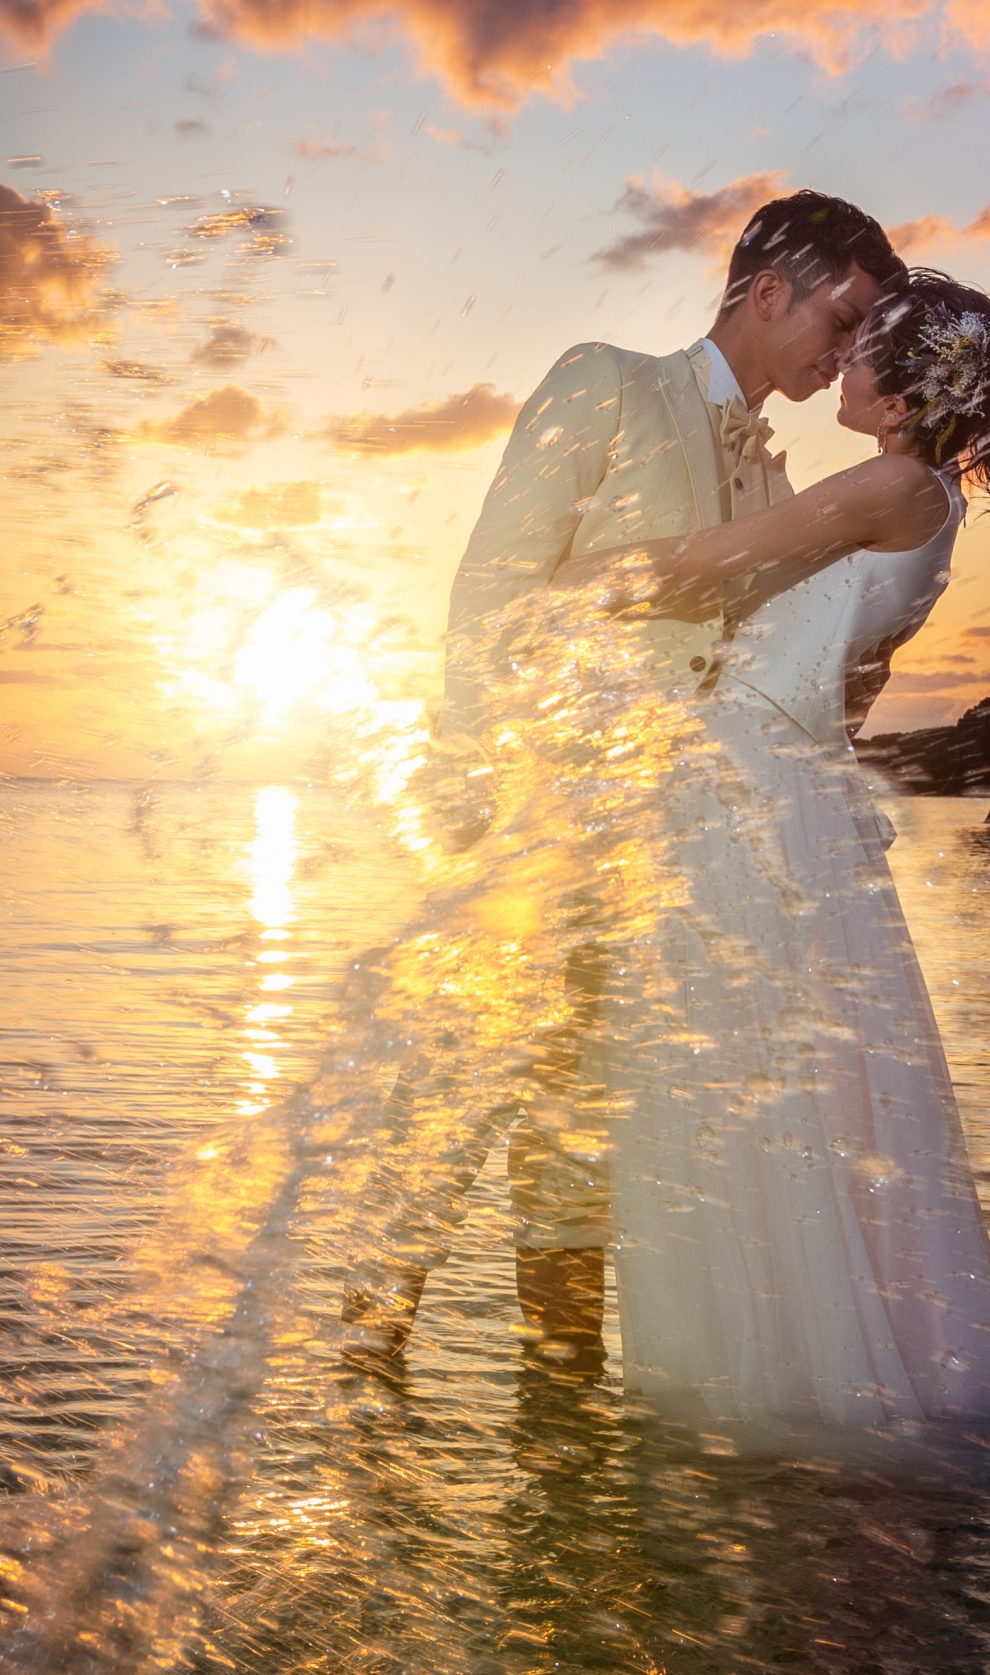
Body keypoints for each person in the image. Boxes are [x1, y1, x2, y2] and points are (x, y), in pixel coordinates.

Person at [340, 191, 906, 1371]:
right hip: (545, 809)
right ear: (768, 291)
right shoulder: (606, 381)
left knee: (590, 1114)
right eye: (840, 318)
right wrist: (481, 784)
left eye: (863, 334)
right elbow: (490, 588)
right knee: (460, 1083)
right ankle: (363, 1367)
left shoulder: (779, 476)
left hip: (682, 848)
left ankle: (564, 1392)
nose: (846, 352)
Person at [560, 270, 990, 1435]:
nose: (839, 365)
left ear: (899, 390)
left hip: (741, 792)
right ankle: (796, 1366)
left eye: (859, 349)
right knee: (791, 1094)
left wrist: (560, 586)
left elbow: (704, 562)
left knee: (732, 1082)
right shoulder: (931, 500)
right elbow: (848, 689)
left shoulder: (890, 480)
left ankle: (770, 1387)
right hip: (785, 786)